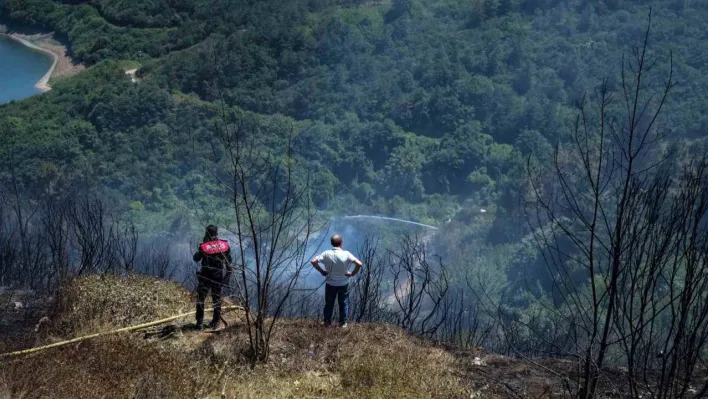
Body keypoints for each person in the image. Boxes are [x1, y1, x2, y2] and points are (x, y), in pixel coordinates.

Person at [311, 234, 363, 328]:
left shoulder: (326, 253)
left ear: (332, 243)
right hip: (343, 283)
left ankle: (327, 323)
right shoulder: (346, 254)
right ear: (341, 243)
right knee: (343, 303)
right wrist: (352, 274)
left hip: (330, 283)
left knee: (329, 304)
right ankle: (343, 324)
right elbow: (359, 264)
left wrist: (322, 271)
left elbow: (313, 261)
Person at [193, 225, 233, 329]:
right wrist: (227, 277)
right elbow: (229, 262)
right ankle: (215, 322)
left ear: (207, 233)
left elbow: (195, 258)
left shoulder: (204, 247)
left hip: (205, 277)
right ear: (217, 233)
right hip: (218, 277)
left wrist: (203, 244)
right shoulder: (224, 245)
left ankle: (199, 323)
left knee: (201, 299)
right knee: (217, 300)